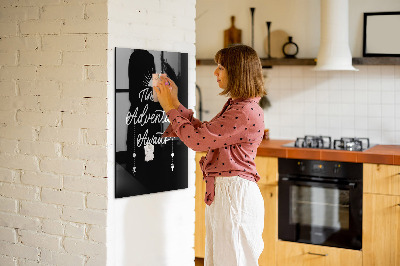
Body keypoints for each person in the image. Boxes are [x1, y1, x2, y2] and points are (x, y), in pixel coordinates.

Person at [155, 44, 267, 266]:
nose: (215, 73)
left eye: (221, 67)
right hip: (228, 194)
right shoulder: (238, 106)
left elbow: (197, 141)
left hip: (234, 196)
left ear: (237, 71)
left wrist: (169, 108)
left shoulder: (244, 111)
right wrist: (175, 104)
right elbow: (205, 133)